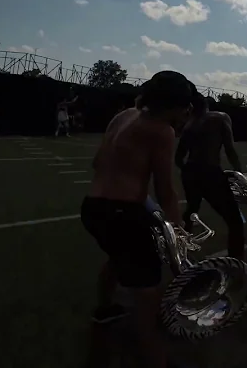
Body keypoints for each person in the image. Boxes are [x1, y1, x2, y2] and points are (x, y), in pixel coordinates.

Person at [80, 71, 194, 368]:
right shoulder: (161, 130)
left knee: (117, 257)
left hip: (92, 208)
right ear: (173, 104)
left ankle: (104, 309)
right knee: (147, 303)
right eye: (184, 107)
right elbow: (166, 190)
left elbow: (97, 163)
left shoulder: (125, 115)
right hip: (123, 215)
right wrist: (178, 234)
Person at [175, 93, 245, 259]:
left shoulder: (189, 125)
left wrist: (190, 171)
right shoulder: (220, 118)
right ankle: (237, 263)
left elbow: (178, 158)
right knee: (235, 221)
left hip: (190, 172)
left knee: (191, 210)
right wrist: (241, 174)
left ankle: (179, 254)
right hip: (210, 173)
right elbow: (230, 149)